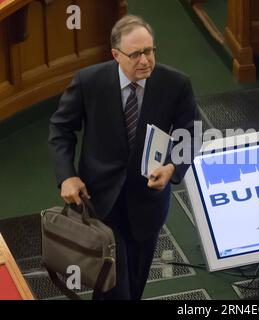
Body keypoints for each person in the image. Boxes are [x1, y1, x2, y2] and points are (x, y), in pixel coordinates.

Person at [48, 15, 198, 300]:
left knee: (135, 280)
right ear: (116, 55)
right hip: (100, 199)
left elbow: (191, 134)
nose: (145, 60)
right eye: (135, 54)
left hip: (147, 202)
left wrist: (173, 168)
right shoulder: (89, 81)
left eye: (149, 51)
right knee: (114, 283)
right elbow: (61, 128)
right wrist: (67, 175)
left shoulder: (175, 84)